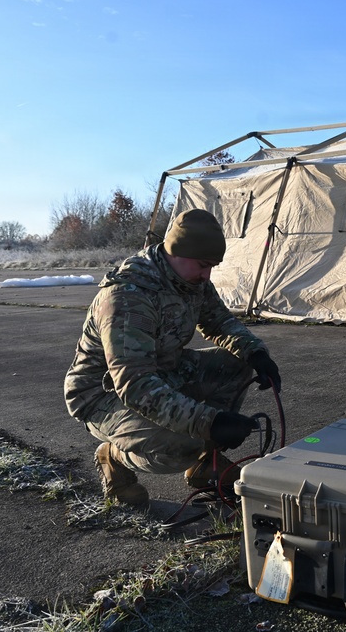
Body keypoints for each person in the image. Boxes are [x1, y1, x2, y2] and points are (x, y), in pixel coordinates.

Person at [64, 208, 281, 508]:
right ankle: (113, 458)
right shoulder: (129, 296)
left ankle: (207, 462)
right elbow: (135, 385)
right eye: (204, 265)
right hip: (103, 394)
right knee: (182, 445)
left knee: (237, 364)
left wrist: (256, 352)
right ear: (175, 252)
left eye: (212, 267)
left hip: (163, 372)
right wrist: (210, 422)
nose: (208, 275)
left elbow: (218, 321)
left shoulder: (190, 280)